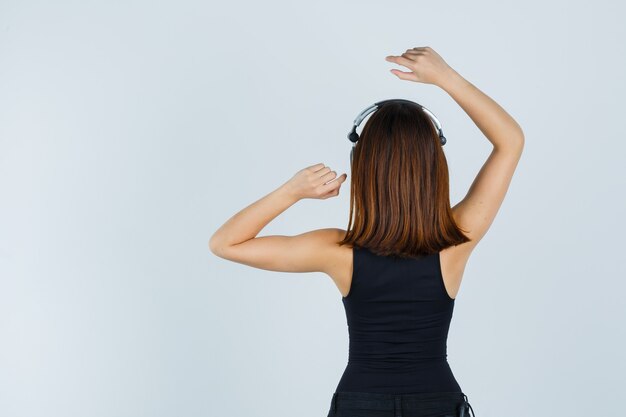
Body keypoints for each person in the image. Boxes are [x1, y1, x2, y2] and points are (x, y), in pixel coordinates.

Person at [209, 46, 524, 417]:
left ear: (364, 167)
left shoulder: (337, 250)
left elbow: (225, 243)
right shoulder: (456, 240)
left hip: (361, 404)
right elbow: (510, 141)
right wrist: (446, 78)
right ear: (434, 165)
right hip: (436, 402)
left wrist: (292, 191)